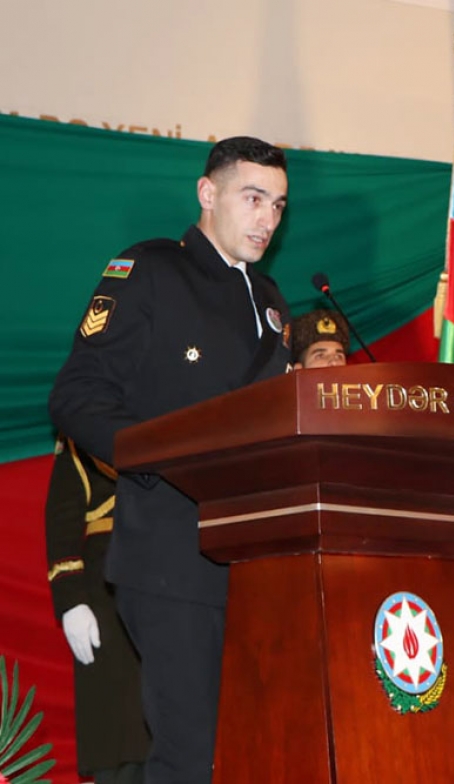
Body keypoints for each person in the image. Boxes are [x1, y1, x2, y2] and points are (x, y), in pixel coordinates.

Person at [48, 136, 292, 784]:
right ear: (207, 193)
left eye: (278, 205)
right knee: (192, 756)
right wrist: (163, 459)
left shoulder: (271, 302)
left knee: (254, 751)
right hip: (170, 555)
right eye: (253, 198)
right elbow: (76, 396)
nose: (267, 218)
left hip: (257, 559)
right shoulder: (152, 270)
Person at [45, 435, 150, 784]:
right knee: (121, 727)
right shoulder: (83, 442)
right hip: (108, 590)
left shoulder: (173, 429)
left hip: (170, 581)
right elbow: (61, 522)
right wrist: (71, 600)